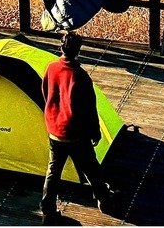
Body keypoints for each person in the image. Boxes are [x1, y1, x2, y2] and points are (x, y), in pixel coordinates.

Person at [40, 31, 116, 225]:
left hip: (54, 130)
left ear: (61, 47)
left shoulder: (51, 68)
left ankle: (48, 209)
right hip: (75, 134)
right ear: (78, 51)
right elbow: (89, 109)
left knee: (53, 171)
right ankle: (104, 199)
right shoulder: (80, 76)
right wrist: (95, 132)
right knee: (90, 168)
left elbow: (45, 92)